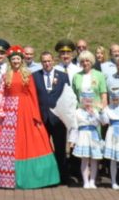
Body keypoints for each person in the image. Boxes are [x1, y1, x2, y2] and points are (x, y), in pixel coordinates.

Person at [0, 45, 58, 189]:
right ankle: (4, 177)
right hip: (9, 111)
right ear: (10, 61)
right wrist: (0, 112)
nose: (16, 61)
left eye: (18, 59)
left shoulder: (28, 75)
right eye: (13, 59)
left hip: (25, 110)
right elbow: (1, 95)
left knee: (30, 141)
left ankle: (33, 177)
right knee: (6, 144)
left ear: (22, 60)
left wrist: (35, 116)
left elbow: (32, 96)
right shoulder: (5, 76)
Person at [34, 51, 70, 185]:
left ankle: (63, 177)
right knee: (43, 150)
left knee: (60, 149)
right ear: (41, 62)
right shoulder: (35, 77)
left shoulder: (63, 76)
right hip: (42, 119)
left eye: (49, 61)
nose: (47, 63)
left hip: (58, 119)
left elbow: (68, 97)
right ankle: (44, 178)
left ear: (53, 61)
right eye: (44, 61)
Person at [73, 90, 104, 189]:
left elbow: (101, 122)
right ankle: (85, 181)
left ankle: (92, 181)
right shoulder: (77, 112)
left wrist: (95, 114)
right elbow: (75, 126)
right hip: (83, 136)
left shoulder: (95, 111)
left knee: (94, 160)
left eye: (90, 101)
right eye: (86, 100)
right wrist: (73, 140)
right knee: (85, 159)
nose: (88, 103)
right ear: (82, 101)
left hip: (93, 135)